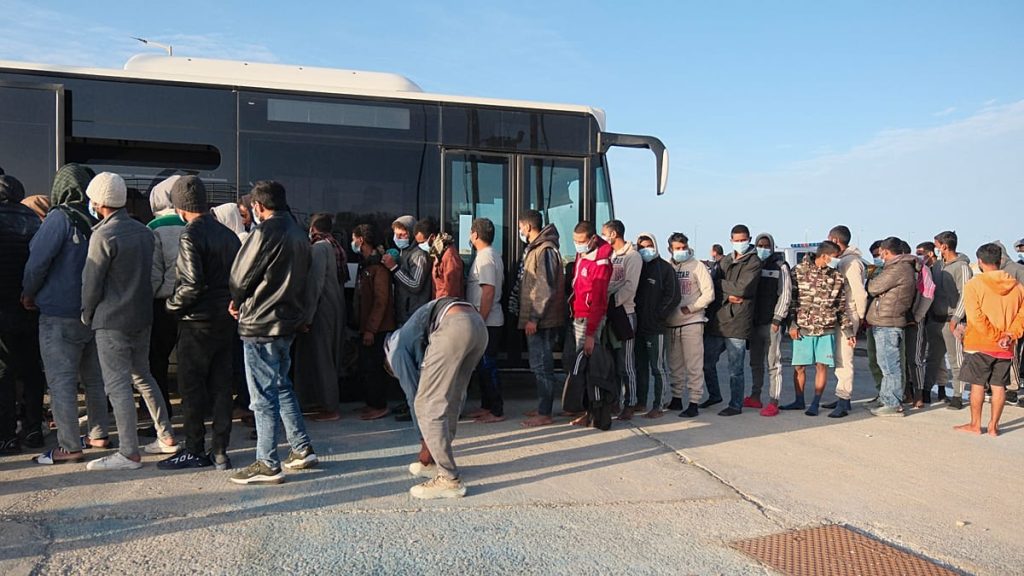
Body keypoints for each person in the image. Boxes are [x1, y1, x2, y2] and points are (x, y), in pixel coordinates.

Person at [81, 172, 179, 470]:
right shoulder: (143, 231)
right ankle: (166, 436)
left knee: (117, 384)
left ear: (99, 202)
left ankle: (129, 452)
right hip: (142, 316)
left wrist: (87, 313)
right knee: (143, 376)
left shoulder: (103, 235)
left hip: (112, 319)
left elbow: (92, 282)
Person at [227, 181, 317, 485]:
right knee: (281, 385)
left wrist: (236, 300)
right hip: (287, 321)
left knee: (262, 396)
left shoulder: (264, 232)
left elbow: (241, 276)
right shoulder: (298, 232)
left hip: (261, 321)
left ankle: (267, 462)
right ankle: (301, 447)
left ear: (258, 206)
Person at [22, 165, 112, 464]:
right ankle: (98, 433)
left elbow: (37, 262)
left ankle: (69, 446)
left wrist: (28, 293)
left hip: (59, 313)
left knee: (61, 381)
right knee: (95, 379)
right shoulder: (99, 218)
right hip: (95, 312)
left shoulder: (60, 217)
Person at [158, 176, 241, 471]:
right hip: (225, 320)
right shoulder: (228, 235)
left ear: (180, 207)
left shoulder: (190, 235)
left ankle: (194, 449)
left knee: (192, 389)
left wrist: (170, 305)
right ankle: (220, 450)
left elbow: (192, 284)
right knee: (222, 387)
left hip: (196, 323)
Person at [385, 298, 487, 499]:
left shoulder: (394, 352)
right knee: (452, 398)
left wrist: (424, 444)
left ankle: (448, 478)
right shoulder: (406, 335)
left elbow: (414, 395)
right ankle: (438, 462)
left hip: (453, 326)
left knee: (426, 404)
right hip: (477, 325)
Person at [954, 243, 1024, 437]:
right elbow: (1022, 316)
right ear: (1000, 260)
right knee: (999, 386)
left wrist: (996, 336)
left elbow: (976, 317)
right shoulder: (1017, 287)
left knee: (977, 385)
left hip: (980, 343)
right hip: (1006, 346)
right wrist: (1009, 335)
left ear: (980, 261)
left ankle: (975, 424)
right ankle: (994, 426)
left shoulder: (974, 285)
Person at [781, 242, 854, 416]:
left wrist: (848, 331)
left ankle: (815, 402)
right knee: (799, 367)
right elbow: (791, 300)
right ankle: (799, 400)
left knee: (822, 366)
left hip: (826, 329)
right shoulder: (799, 271)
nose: (838, 260)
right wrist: (792, 324)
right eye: (835, 257)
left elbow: (840, 307)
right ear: (824, 256)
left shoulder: (837, 277)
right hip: (803, 328)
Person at [0, 175, 45, 453]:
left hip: (2, 307)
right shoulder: (34, 220)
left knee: (4, 372)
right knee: (31, 369)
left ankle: (6, 435)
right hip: (29, 305)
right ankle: (33, 428)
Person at [513, 211, 566, 428]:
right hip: (539, 318)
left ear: (527, 227)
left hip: (543, 320)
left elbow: (544, 288)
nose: (520, 231)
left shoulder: (545, 250)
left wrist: (533, 318)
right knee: (538, 365)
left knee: (543, 366)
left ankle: (545, 413)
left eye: (520, 227)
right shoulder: (537, 248)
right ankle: (542, 407)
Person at [704, 225, 762, 416]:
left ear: (749, 239)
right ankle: (714, 395)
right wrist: (727, 294)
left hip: (738, 321)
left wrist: (721, 285)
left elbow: (742, 289)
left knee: (735, 369)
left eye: (743, 240)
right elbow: (711, 284)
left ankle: (735, 404)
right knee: (706, 362)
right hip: (718, 321)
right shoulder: (726, 260)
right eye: (736, 240)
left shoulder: (754, 262)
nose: (740, 243)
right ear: (731, 240)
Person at [293, 213, 345, 423]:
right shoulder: (334, 245)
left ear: (313, 228)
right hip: (335, 307)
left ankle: (329, 407)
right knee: (328, 356)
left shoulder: (319, 248)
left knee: (322, 359)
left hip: (322, 310)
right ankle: (321, 402)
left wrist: (306, 317)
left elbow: (315, 284)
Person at [145, 175, 184, 422]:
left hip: (163, 304)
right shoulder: (194, 223)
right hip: (193, 302)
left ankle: (162, 415)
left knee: (156, 362)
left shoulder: (154, 228)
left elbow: (153, 273)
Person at [664, 233, 715, 417]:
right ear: (670, 249)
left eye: (683, 247)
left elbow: (709, 294)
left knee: (694, 364)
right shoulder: (667, 266)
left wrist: (692, 308)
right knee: (674, 364)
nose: (681, 251)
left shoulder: (697, 266)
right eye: (677, 248)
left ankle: (694, 401)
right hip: (671, 323)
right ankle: (676, 398)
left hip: (692, 321)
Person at [820, 225, 868, 417]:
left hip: (848, 314)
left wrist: (860, 317)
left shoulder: (852, 263)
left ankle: (844, 399)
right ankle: (841, 396)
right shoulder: (843, 261)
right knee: (838, 358)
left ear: (835, 240)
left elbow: (859, 293)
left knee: (844, 358)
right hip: (838, 314)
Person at [866, 237, 917, 417]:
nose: (880, 257)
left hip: (888, 322)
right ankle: (886, 398)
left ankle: (893, 403)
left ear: (886, 251)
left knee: (890, 366)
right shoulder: (901, 267)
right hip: (885, 321)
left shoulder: (898, 268)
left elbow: (873, 287)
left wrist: (873, 282)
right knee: (885, 364)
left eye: (881, 253)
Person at [568, 221, 613, 425]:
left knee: (589, 367)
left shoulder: (601, 264)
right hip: (578, 315)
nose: (578, 245)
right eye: (575, 241)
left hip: (589, 319)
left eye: (581, 241)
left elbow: (599, 302)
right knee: (579, 364)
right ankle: (584, 408)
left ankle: (592, 411)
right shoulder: (582, 256)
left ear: (593, 239)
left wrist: (590, 334)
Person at [633, 233, 681, 418]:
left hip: (656, 327)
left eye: (649, 246)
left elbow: (673, 296)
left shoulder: (665, 269)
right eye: (642, 247)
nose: (646, 250)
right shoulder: (637, 267)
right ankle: (640, 402)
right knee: (640, 366)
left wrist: (659, 315)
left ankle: (658, 405)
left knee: (657, 367)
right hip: (638, 326)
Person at [352, 223, 396, 421]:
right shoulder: (366, 264)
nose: (353, 243)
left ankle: (379, 405)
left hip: (378, 328)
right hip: (367, 325)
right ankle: (371, 403)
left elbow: (381, 301)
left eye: (354, 239)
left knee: (375, 367)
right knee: (366, 367)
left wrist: (371, 329)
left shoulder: (378, 267)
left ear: (361, 240)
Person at [465, 218, 505, 423]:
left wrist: (480, 320)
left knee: (488, 366)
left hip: (488, 322)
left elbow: (488, 291)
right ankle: (486, 405)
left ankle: (496, 410)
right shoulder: (487, 255)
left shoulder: (486, 257)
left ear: (475, 235)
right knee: (482, 366)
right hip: (485, 320)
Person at [745, 233, 791, 413]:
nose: (762, 248)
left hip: (771, 324)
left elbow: (785, 294)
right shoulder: (752, 265)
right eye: (760, 245)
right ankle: (755, 396)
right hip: (754, 323)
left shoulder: (780, 266)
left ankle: (773, 401)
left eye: (766, 245)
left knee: (773, 363)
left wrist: (777, 319)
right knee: (755, 363)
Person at [927, 231, 973, 410]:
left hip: (952, 322)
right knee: (933, 358)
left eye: (937, 246)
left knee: (956, 360)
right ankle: (926, 390)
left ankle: (957, 396)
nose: (936, 249)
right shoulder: (937, 266)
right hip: (935, 320)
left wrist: (956, 318)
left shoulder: (962, 267)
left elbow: (966, 296)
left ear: (944, 246)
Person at [602, 219, 642, 420]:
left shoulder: (632, 256)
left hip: (625, 314)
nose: (603, 237)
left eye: (604, 233)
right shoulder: (610, 255)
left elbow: (630, 287)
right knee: (611, 364)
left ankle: (630, 402)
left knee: (625, 364)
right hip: (609, 313)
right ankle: (614, 401)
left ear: (614, 234)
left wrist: (611, 301)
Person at [383, 215, 431, 325]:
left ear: (411, 234)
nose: (397, 238)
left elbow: (415, 284)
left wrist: (394, 268)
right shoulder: (403, 252)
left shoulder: (419, 255)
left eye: (401, 235)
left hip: (414, 315)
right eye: (396, 235)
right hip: (403, 314)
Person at [904, 240, 936, 409]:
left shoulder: (921, 269)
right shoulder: (897, 269)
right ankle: (907, 393)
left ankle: (918, 394)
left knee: (915, 358)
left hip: (915, 321)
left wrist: (917, 317)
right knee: (902, 359)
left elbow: (928, 293)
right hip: (899, 320)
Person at [415, 218, 463, 299]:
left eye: (422, 242)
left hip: (446, 303)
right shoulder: (437, 254)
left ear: (432, 237)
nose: (420, 246)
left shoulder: (449, 255)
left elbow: (452, 290)